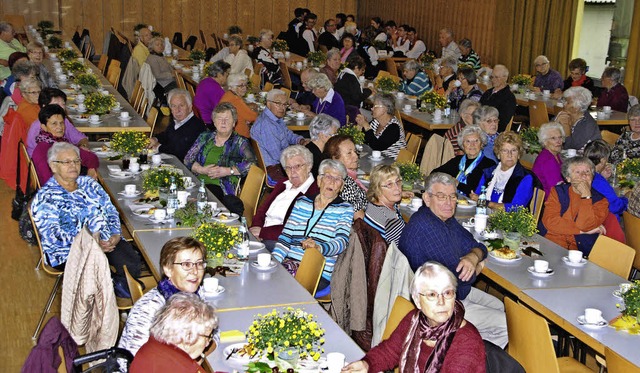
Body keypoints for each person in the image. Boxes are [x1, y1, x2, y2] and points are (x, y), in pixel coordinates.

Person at [399, 172, 507, 348]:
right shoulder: (427, 227)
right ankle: (468, 358)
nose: (449, 203)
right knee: (508, 325)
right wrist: (477, 267)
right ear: (427, 198)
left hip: (452, 292)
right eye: (441, 196)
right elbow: (461, 278)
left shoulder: (444, 219)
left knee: (499, 305)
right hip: (439, 305)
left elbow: (477, 245)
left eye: (452, 196)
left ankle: (465, 347)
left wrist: (473, 257)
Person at [31, 142, 141, 295]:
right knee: (97, 273)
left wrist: (115, 234)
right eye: (66, 162)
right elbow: (54, 237)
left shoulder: (89, 184)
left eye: (76, 161)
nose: (73, 165)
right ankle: (106, 296)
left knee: (131, 263)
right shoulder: (46, 197)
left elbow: (110, 211)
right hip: (69, 250)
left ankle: (118, 289)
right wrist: (92, 246)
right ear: (53, 166)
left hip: (105, 240)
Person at [343, 262, 486, 373]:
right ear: (417, 301)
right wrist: (367, 364)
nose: (441, 302)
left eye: (447, 293)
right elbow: (389, 351)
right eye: (432, 295)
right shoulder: (415, 320)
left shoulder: (467, 342)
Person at [119, 237, 210, 357]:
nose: (195, 271)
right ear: (168, 269)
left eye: (199, 263)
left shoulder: (198, 294)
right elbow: (134, 361)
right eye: (186, 264)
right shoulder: (149, 309)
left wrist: (199, 356)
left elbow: (213, 334)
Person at [272, 159, 354, 291]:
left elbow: (341, 242)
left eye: (337, 179)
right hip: (290, 262)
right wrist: (274, 262)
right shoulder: (302, 202)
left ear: (342, 186)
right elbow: (285, 237)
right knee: (266, 276)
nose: (332, 182)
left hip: (318, 271)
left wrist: (319, 248)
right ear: (319, 180)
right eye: (328, 177)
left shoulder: (345, 209)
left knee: (281, 287)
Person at [184, 103, 255, 215]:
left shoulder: (240, 142)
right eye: (219, 118)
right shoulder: (205, 137)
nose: (223, 122)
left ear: (233, 123)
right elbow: (188, 159)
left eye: (227, 119)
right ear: (214, 122)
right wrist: (202, 170)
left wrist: (227, 171)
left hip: (221, 187)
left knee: (205, 197)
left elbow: (253, 164)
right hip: (197, 182)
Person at [250, 145, 319, 250]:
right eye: (288, 167)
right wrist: (255, 230)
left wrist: (263, 233)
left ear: (309, 166)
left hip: (280, 242)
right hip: (260, 234)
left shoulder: (313, 192)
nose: (293, 171)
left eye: (297, 166)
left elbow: (296, 230)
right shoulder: (283, 184)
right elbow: (261, 212)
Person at [130, 293, 217, 372]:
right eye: (207, 337)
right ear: (188, 336)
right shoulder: (177, 368)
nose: (207, 344)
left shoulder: (154, 346)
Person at [540, 157, 609, 254]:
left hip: (577, 252)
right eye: (577, 172)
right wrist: (582, 232)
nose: (584, 176)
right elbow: (550, 222)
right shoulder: (558, 192)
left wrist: (586, 196)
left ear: (592, 177)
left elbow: (584, 225)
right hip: (549, 243)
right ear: (568, 178)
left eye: (587, 172)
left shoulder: (601, 201)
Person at [32, 105, 99, 185]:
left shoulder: (62, 143)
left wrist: (91, 170)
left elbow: (92, 158)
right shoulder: (43, 151)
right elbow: (48, 182)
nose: (59, 127)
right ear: (44, 127)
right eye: (54, 124)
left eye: (61, 123)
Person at [250, 89, 307, 182]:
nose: (282, 108)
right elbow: (277, 156)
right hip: (274, 169)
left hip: (280, 162)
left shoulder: (275, 118)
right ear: (268, 104)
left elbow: (287, 134)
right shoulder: (267, 125)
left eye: (285, 104)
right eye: (278, 103)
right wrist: (298, 157)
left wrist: (300, 140)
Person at [471, 131, 536, 211]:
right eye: (505, 150)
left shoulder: (525, 177)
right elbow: (477, 196)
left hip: (508, 221)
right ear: (498, 154)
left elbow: (515, 208)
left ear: (519, 154)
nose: (509, 155)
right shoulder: (489, 172)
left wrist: (487, 203)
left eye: (514, 150)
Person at [434, 126, 496, 196]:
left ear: (481, 144)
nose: (472, 145)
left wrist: (457, 184)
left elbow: (478, 191)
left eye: (476, 141)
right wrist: (449, 180)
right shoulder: (457, 160)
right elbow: (435, 173)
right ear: (462, 145)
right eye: (468, 141)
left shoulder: (489, 165)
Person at [26, 88, 88, 156]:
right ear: (44, 107)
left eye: (63, 104)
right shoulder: (38, 127)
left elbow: (81, 138)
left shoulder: (63, 121)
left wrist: (83, 146)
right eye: (56, 105)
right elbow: (46, 156)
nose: (61, 108)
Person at [149, 89, 206, 161]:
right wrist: (155, 139)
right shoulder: (178, 121)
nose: (177, 110)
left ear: (189, 107)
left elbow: (179, 152)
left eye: (181, 105)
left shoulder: (196, 126)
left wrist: (158, 147)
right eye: (173, 106)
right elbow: (166, 135)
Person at [324, 135, 367, 219]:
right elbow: (360, 220)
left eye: (355, 151)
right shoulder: (344, 184)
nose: (356, 156)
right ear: (335, 159)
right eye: (349, 153)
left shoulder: (347, 176)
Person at [364, 164, 407, 247]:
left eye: (398, 182)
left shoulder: (372, 205)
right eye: (389, 184)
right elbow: (405, 250)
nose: (397, 188)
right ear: (377, 189)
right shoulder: (390, 220)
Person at [584, 140, 628, 219]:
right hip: (605, 222)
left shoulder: (584, 173)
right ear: (603, 160)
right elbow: (616, 207)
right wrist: (626, 198)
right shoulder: (598, 180)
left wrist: (602, 177)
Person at [355, 93, 406, 159]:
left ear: (385, 109)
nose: (372, 109)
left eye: (375, 106)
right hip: (376, 159)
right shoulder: (376, 122)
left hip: (391, 163)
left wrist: (366, 125)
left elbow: (378, 147)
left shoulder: (394, 127)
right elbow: (365, 139)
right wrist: (360, 125)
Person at [555, 86, 601, 151]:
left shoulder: (588, 125)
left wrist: (567, 131)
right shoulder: (563, 115)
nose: (563, 104)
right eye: (564, 101)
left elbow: (572, 149)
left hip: (582, 158)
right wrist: (555, 124)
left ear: (577, 107)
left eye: (567, 102)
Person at [532, 122, 565, 198]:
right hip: (550, 201)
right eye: (553, 138)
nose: (559, 142)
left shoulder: (554, 154)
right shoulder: (547, 160)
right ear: (545, 142)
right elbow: (555, 189)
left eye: (560, 137)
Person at [219, 73, 258, 138]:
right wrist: (256, 111)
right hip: (239, 137)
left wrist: (247, 106)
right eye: (241, 86)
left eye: (245, 85)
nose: (244, 88)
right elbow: (253, 117)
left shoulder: (229, 94)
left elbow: (239, 109)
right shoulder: (235, 100)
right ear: (232, 87)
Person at [479, 64, 516, 132]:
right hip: (480, 126)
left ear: (505, 78)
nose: (493, 80)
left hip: (491, 130)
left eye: (496, 77)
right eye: (492, 77)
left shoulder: (509, 97)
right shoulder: (488, 92)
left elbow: (502, 123)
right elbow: (478, 109)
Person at [193, 60, 230, 127]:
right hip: (208, 122)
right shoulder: (215, 88)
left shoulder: (204, 81)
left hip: (198, 118)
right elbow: (223, 108)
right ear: (219, 75)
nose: (227, 78)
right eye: (226, 75)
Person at [145, 37, 178, 103]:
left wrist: (174, 71)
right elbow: (157, 75)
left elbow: (168, 67)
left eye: (162, 44)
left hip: (167, 81)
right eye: (157, 45)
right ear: (151, 47)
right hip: (162, 85)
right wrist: (172, 74)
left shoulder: (160, 55)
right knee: (183, 89)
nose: (160, 46)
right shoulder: (152, 59)